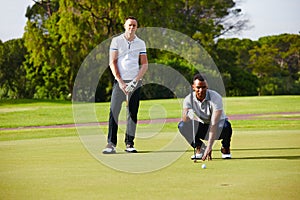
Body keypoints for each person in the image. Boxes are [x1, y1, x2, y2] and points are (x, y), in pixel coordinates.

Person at [102, 16, 148, 154]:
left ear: (137, 27)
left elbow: (144, 64)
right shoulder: (116, 41)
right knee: (114, 111)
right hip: (119, 82)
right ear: (124, 26)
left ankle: (129, 143)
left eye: (134, 25)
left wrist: (135, 81)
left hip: (135, 82)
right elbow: (113, 62)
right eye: (129, 25)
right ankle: (111, 144)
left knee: (132, 113)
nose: (132, 27)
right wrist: (121, 82)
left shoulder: (141, 43)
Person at [178, 73, 232, 160]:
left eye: (203, 87)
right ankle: (200, 148)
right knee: (182, 125)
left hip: (218, 127)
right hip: (203, 127)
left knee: (226, 126)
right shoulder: (188, 99)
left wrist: (209, 147)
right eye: (198, 87)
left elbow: (214, 124)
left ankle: (225, 148)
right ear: (193, 87)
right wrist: (188, 115)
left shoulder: (215, 97)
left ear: (207, 87)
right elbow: (184, 119)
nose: (201, 90)